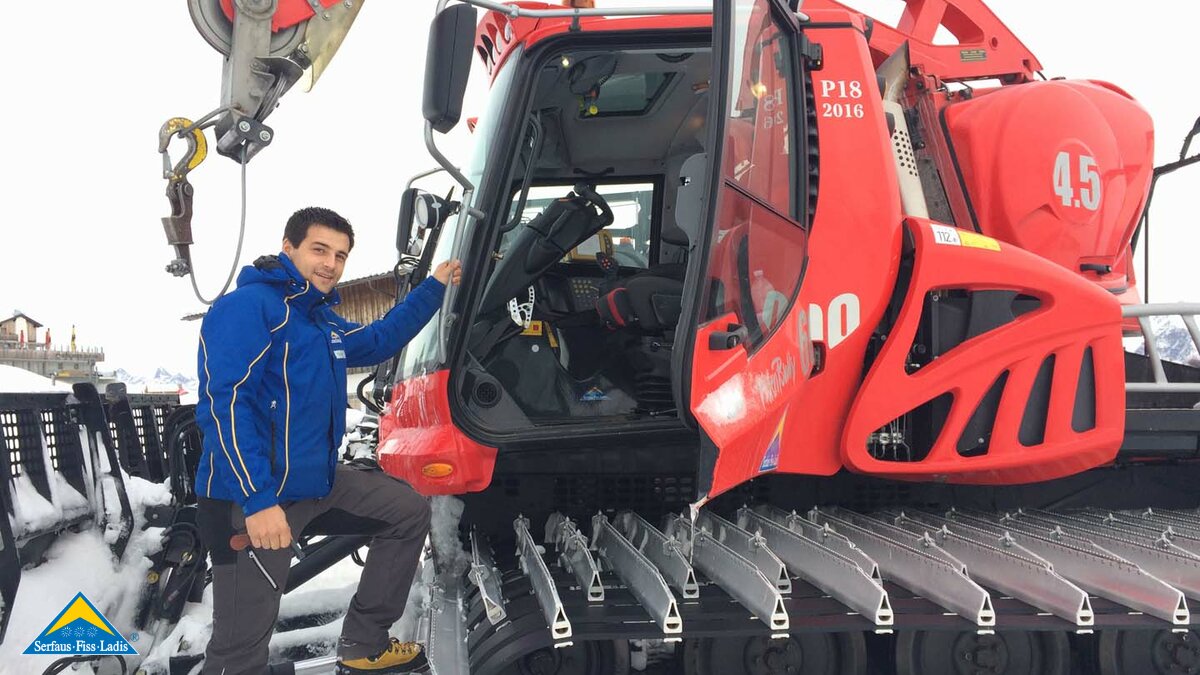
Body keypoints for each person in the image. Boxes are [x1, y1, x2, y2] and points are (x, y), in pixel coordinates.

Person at [193, 206, 461, 674]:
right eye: (320, 250)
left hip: (313, 483)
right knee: (240, 647)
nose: (331, 264)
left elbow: (380, 339)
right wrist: (257, 502)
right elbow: (226, 406)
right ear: (288, 247)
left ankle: (363, 643)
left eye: (340, 255)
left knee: (406, 510)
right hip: (250, 496)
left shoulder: (319, 321)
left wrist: (434, 287)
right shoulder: (249, 308)